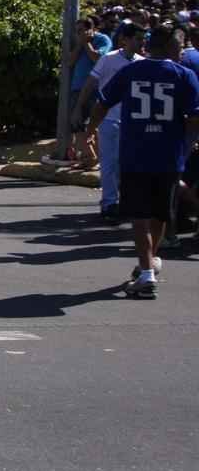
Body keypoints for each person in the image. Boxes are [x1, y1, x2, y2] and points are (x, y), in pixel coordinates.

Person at [89, 25, 199, 298]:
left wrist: (90, 130)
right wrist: (184, 144)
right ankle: (148, 265)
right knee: (160, 214)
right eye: (180, 45)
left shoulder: (130, 71)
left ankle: (147, 269)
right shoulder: (184, 75)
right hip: (169, 157)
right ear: (170, 46)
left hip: (136, 155)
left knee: (140, 215)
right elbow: (194, 118)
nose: (183, 51)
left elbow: (103, 103)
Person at [75, 23, 145, 222]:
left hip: (133, 122)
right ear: (125, 39)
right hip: (109, 119)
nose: (141, 43)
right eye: (138, 39)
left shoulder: (142, 62)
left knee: (128, 164)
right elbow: (91, 83)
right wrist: (78, 107)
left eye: (143, 39)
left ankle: (127, 202)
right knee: (109, 163)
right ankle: (109, 203)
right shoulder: (108, 59)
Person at [67, 17, 111, 166]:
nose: (79, 34)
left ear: (91, 29)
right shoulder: (79, 42)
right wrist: (80, 43)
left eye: (82, 30)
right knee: (77, 123)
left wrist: (86, 43)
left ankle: (95, 157)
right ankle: (91, 156)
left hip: (94, 87)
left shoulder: (103, 39)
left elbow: (97, 58)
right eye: (77, 31)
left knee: (94, 124)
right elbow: (70, 62)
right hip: (77, 87)